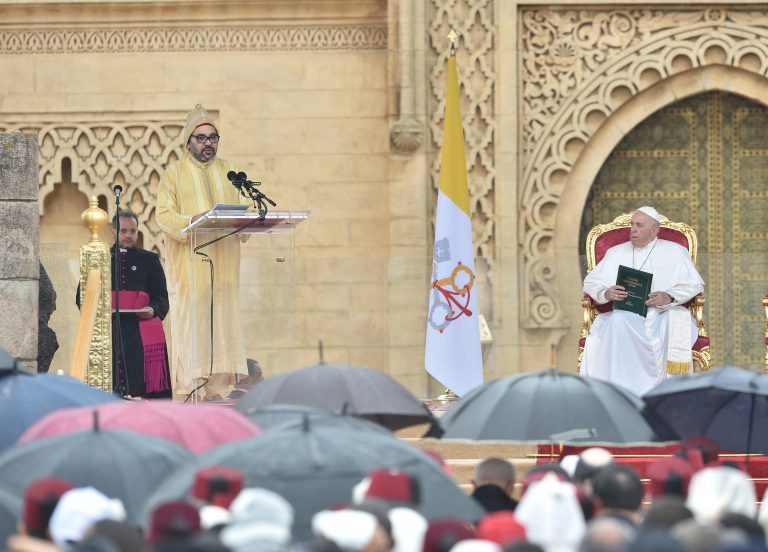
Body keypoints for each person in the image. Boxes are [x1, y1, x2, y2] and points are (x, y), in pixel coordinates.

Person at [156, 104, 250, 396]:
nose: (208, 143)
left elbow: (241, 215)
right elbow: (163, 216)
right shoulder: (174, 173)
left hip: (225, 268)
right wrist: (192, 220)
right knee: (195, 325)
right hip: (192, 269)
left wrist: (248, 219)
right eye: (201, 138)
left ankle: (221, 390)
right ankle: (195, 391)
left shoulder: (230, 172)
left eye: (213, 137)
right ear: (188, 142)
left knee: (224, 322)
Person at [581, 206, 705, 395]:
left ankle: (664, 393)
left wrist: (669, 296)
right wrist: (606, 293)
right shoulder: (616, 252)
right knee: (616, 321)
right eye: (632, 225)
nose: (633, 229)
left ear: (654, 230)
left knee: (673, 324)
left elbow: (695, 285)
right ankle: (621, 394)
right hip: (626, 315)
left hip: (662, 314)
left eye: (639, 225)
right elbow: (591, 282)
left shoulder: (675, 251)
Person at [77, 210, 172, 398]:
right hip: (109, 330)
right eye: (124, 231)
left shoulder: (149, 260)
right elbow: (82, 296)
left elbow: (161, 296)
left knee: (145, 387)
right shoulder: (99, 258)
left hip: (141, 331)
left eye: (133, 231)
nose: (129, 235)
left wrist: (153, 309)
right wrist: (102, 311)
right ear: (113, 232)